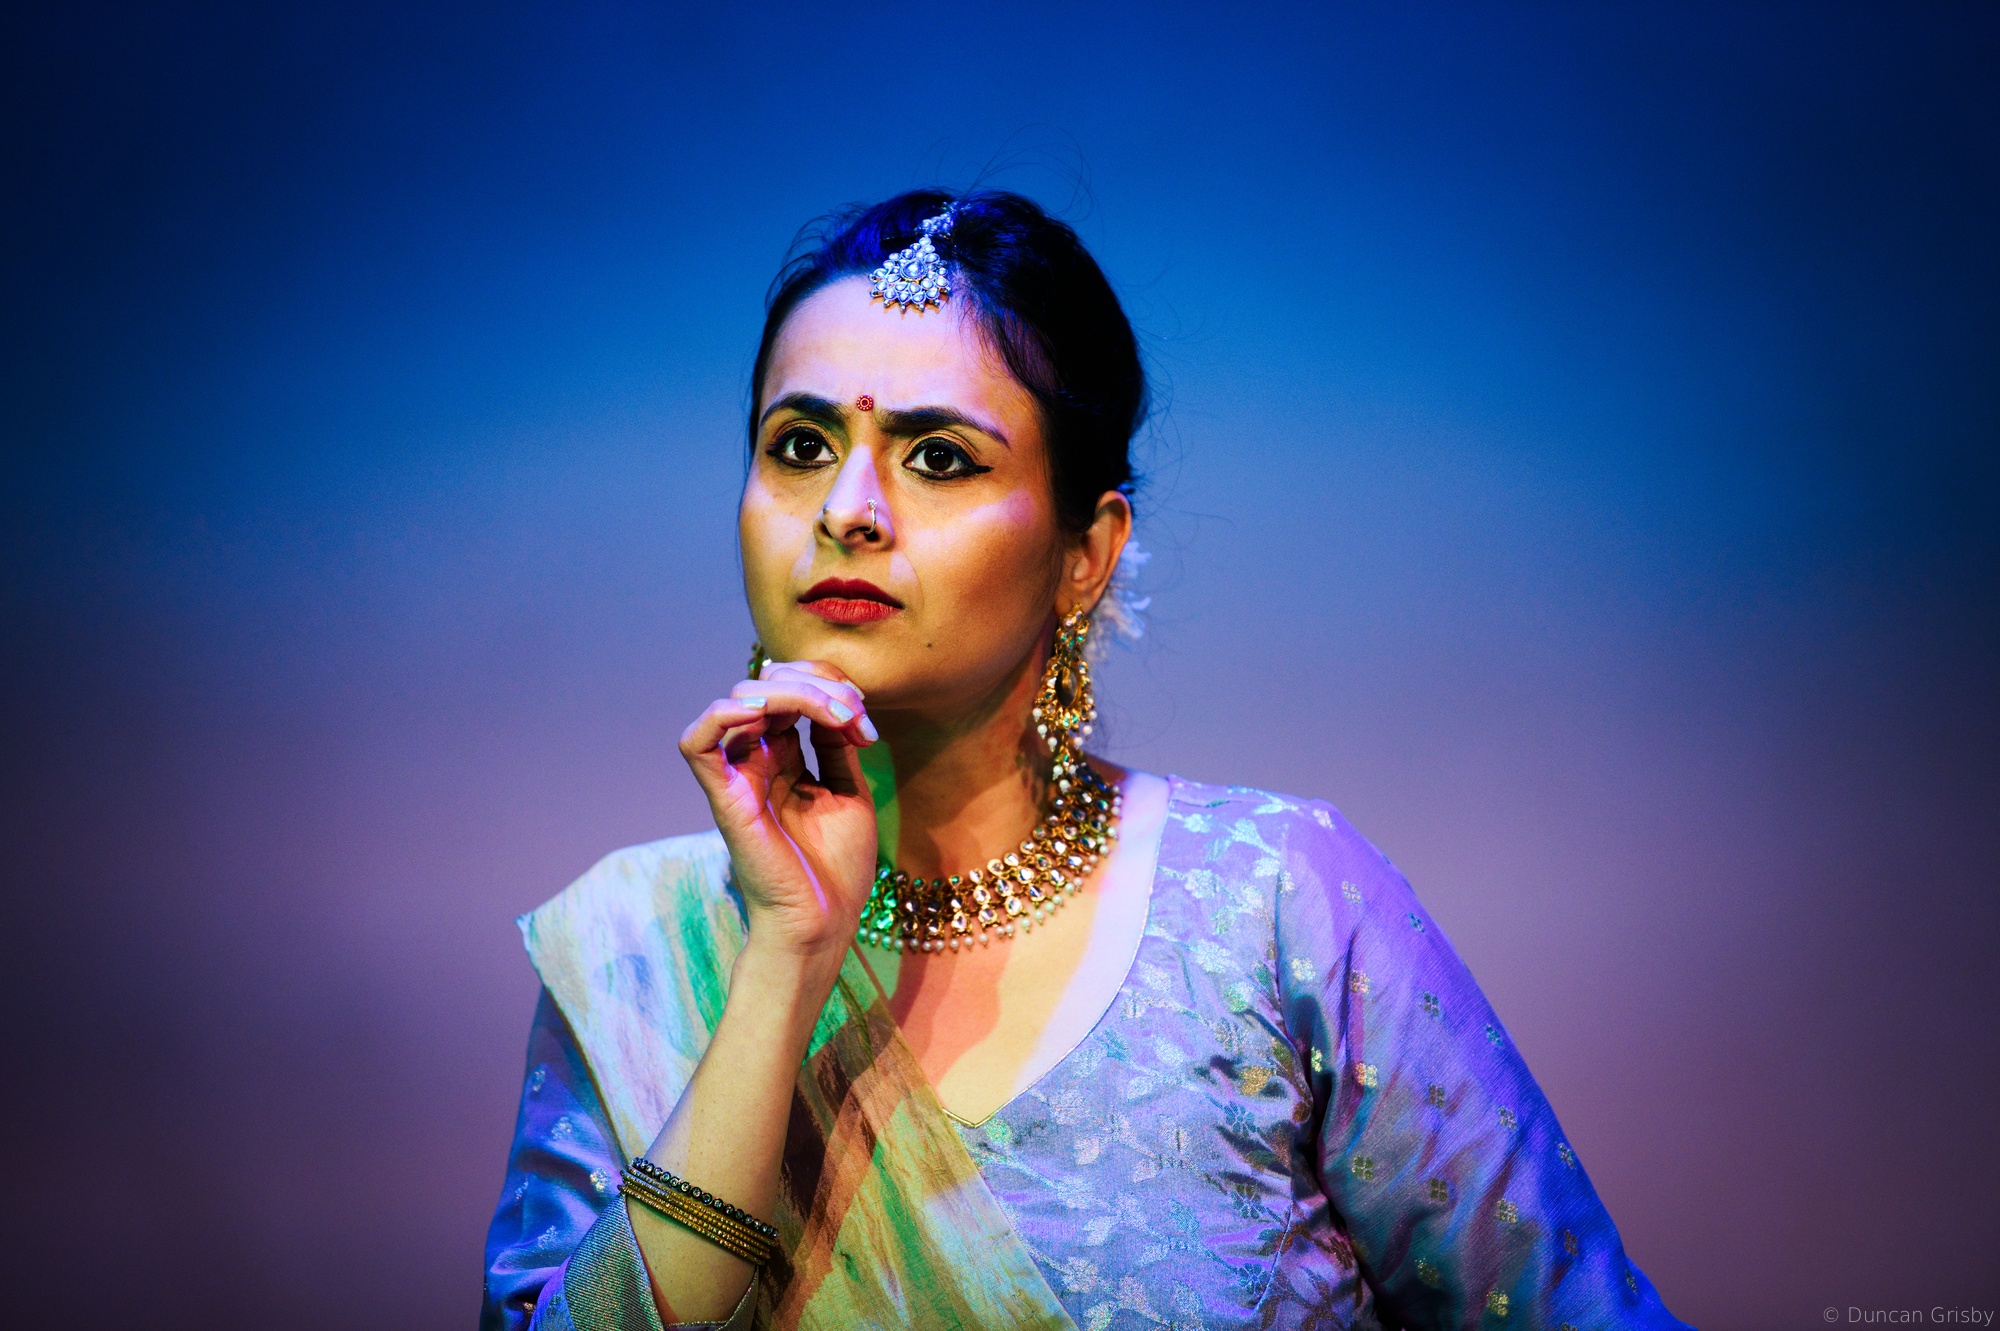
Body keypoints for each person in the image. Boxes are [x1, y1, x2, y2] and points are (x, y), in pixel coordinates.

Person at [479, 189, 1690, 1331]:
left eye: (936, 457)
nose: (845, 507)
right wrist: (782, 959)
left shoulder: (1272, 903)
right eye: (798, 444)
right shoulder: (637, 945)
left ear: (1085, 553)